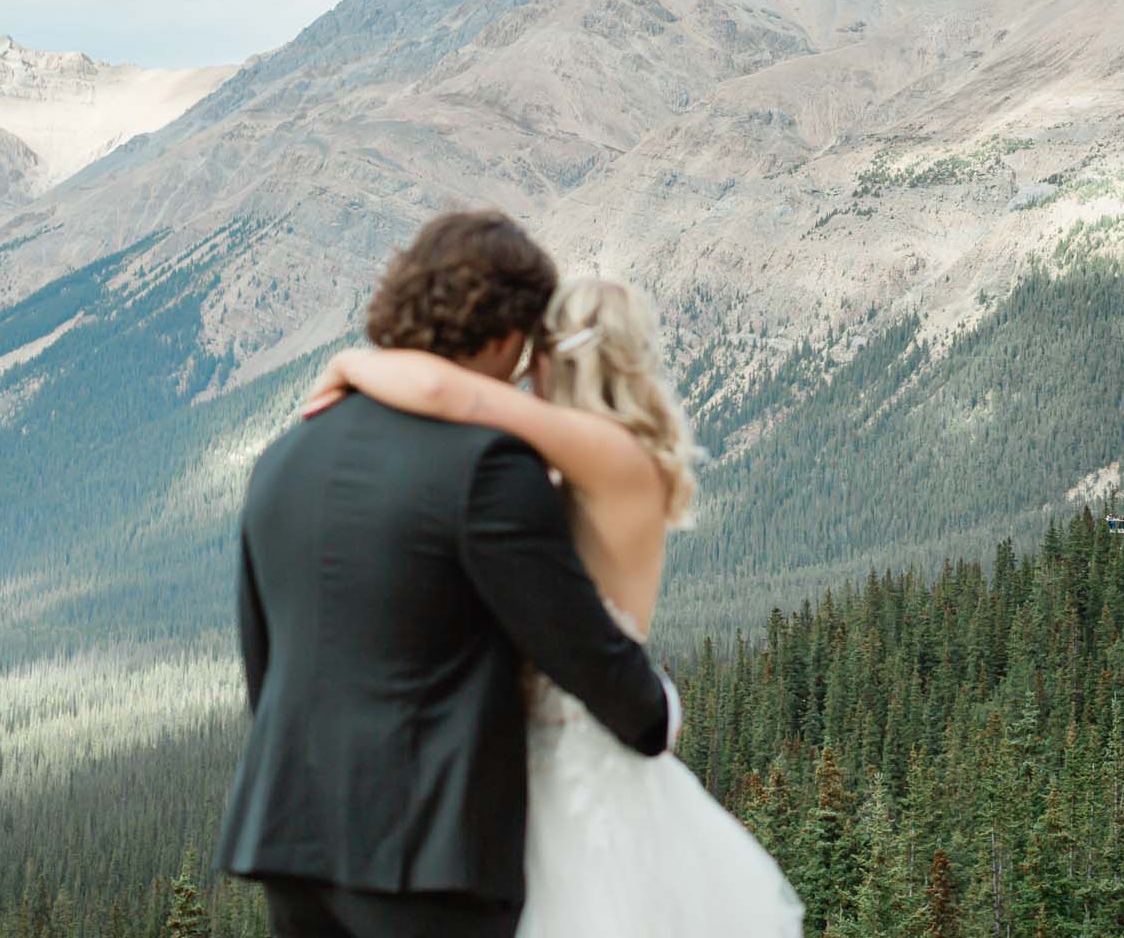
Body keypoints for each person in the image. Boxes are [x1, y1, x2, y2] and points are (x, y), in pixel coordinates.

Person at [216, 211, 680, 938]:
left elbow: (263, 661)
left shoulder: (287, 455)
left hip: (290, 839)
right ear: (501, 337)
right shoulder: (489, 466)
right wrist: (651, 714)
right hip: (427, 856)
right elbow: (573, 642)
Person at [303, 273, 803, 937]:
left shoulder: (610, 455)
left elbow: (442, 393)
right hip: (547, 757)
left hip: (580, 764)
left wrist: (349, 363)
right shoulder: (603, 464)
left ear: (552, 360)